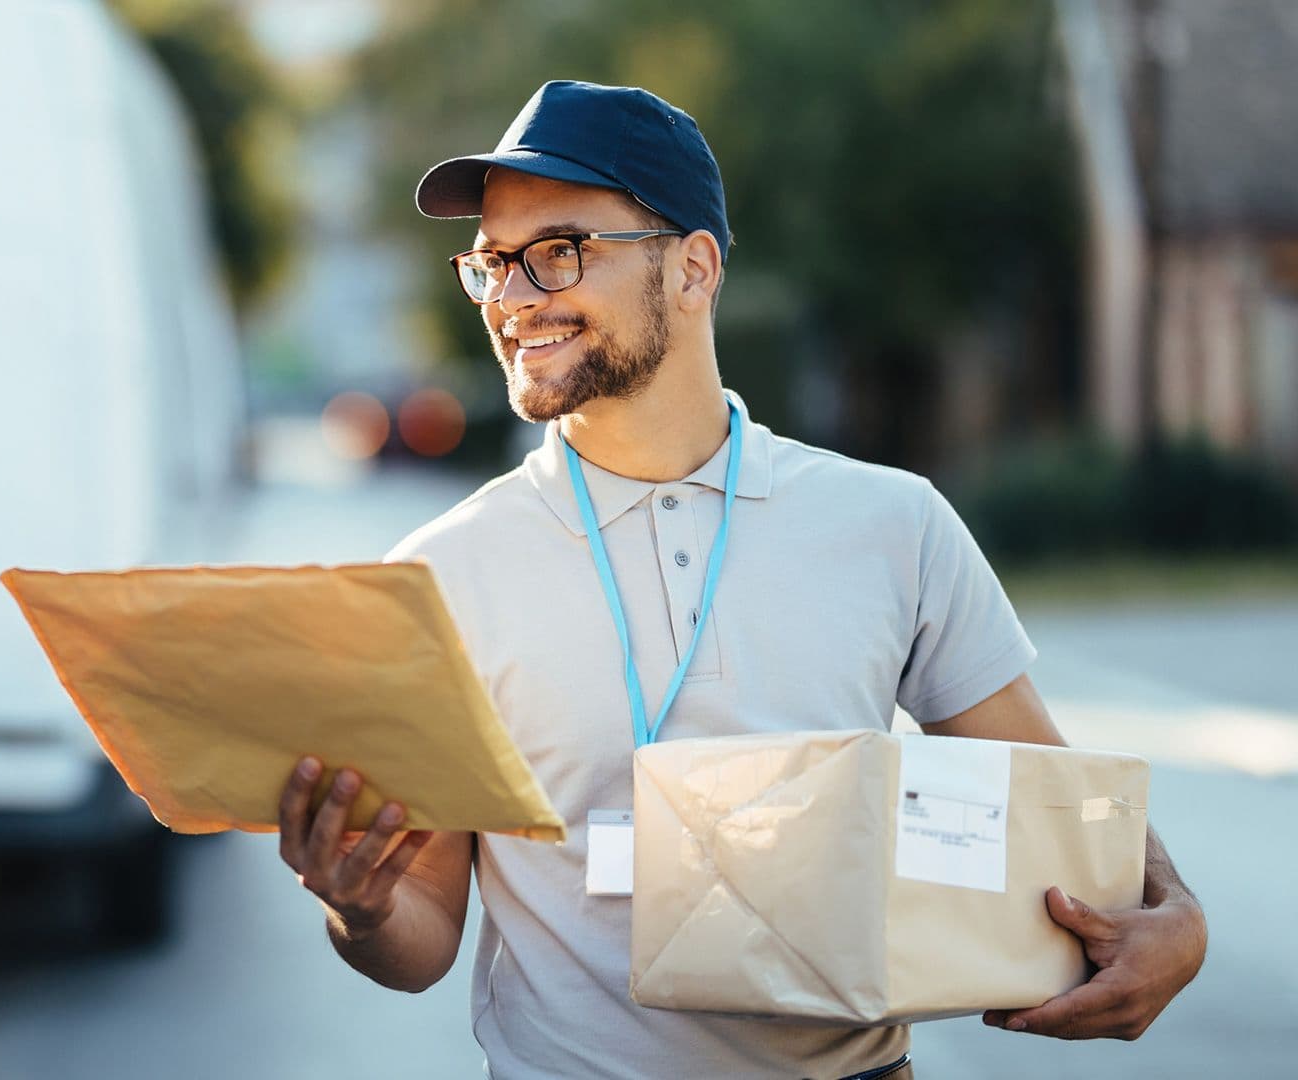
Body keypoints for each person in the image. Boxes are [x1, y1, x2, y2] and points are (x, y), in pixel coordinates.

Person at [273, 81, 1207, 1079]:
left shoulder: (892, 525)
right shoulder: (439, 573)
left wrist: (1175, 917)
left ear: (694, 268)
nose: (513, 298)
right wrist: (358, 906)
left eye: (557, 252)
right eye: (492, 265)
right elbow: (421, 937)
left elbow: (1053, 804)